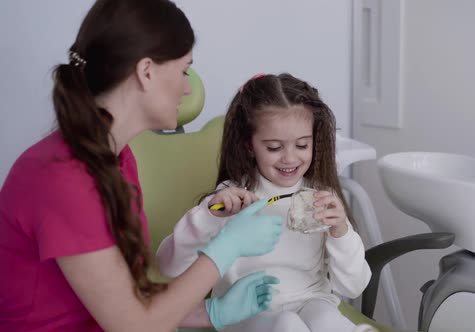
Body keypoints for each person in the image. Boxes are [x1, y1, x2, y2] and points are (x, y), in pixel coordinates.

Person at [0, 1, 284, 331]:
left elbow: (128, 303)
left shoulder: (118, 160)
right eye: (184, 70)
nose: (188, 87)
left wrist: (213, 312)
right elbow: (134, 327)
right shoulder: (61, 179)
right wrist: (227, 247)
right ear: (146, 72)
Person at [157, 73, 372, 332]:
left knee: (330, 322)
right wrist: (210, 214)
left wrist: (341, 232)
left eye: (302, 145)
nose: (290, 158)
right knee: (287, 325)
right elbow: (169, 266)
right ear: (250, 146)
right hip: (247, 310)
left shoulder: (322, 199)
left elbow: (354, 286)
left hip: (312, 301)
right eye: (274, 148)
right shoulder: (230, 199)